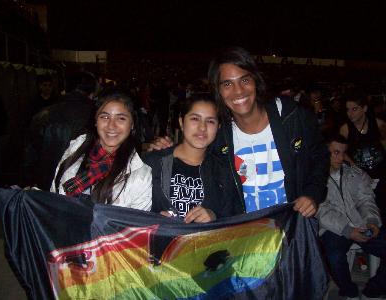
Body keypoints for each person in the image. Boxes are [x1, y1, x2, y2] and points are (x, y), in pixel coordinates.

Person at [149, 47, 329, 217]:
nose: (238, 91)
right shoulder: (219, 135)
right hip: (244, 236)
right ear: (218, 90)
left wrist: (312, 194)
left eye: (244, 80)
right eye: (227, 84)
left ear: (256, 81)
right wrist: (166, 151)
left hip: (292, 229)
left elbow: (320, 157)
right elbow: (196, 160)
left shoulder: (292, 117)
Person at [143, 93, 241, 223]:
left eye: (210, 121)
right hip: (159, 241)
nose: (202, 127)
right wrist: (152, 218)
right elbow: (131, 209)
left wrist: (215, 216)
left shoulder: (224, 170)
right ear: (181, 122)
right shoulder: (153, 163)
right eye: (195, 119)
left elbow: (235, 216)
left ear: (218, 127)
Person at [51, 91, 152, 209]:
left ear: (132, 124)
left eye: (121, 118)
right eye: (104, 117)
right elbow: (54, 193)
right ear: (95, 121)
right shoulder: (77, 147)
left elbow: (137, 224)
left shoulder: (141, 175)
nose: (111, 125)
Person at [317, 134, 386, 299]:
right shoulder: (315, 178)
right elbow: (321, 210)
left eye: (343, 152)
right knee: (333, 256)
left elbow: (367, 200)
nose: (341, 157)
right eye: (335, 152)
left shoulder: (355, 173)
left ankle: (374, 289)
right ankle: (349, 291)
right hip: (334, 229)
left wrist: (372, 221)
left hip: (362, 224)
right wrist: (347, 230)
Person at [23, 71, 98, 190]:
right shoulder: (98, 117)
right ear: (92, 93)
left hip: (45, 183)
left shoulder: (43, 115)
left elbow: (30, 153)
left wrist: (31, 181)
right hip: (80, 186)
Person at [340, 89, 386, 224]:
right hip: (361, 178)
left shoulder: (379, 125)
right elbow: (342, 153)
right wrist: (359, 173)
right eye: (348, 110)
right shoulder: (345, 129)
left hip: (381, 174)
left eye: (354, 109)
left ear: (364, 108)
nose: (350, 113)